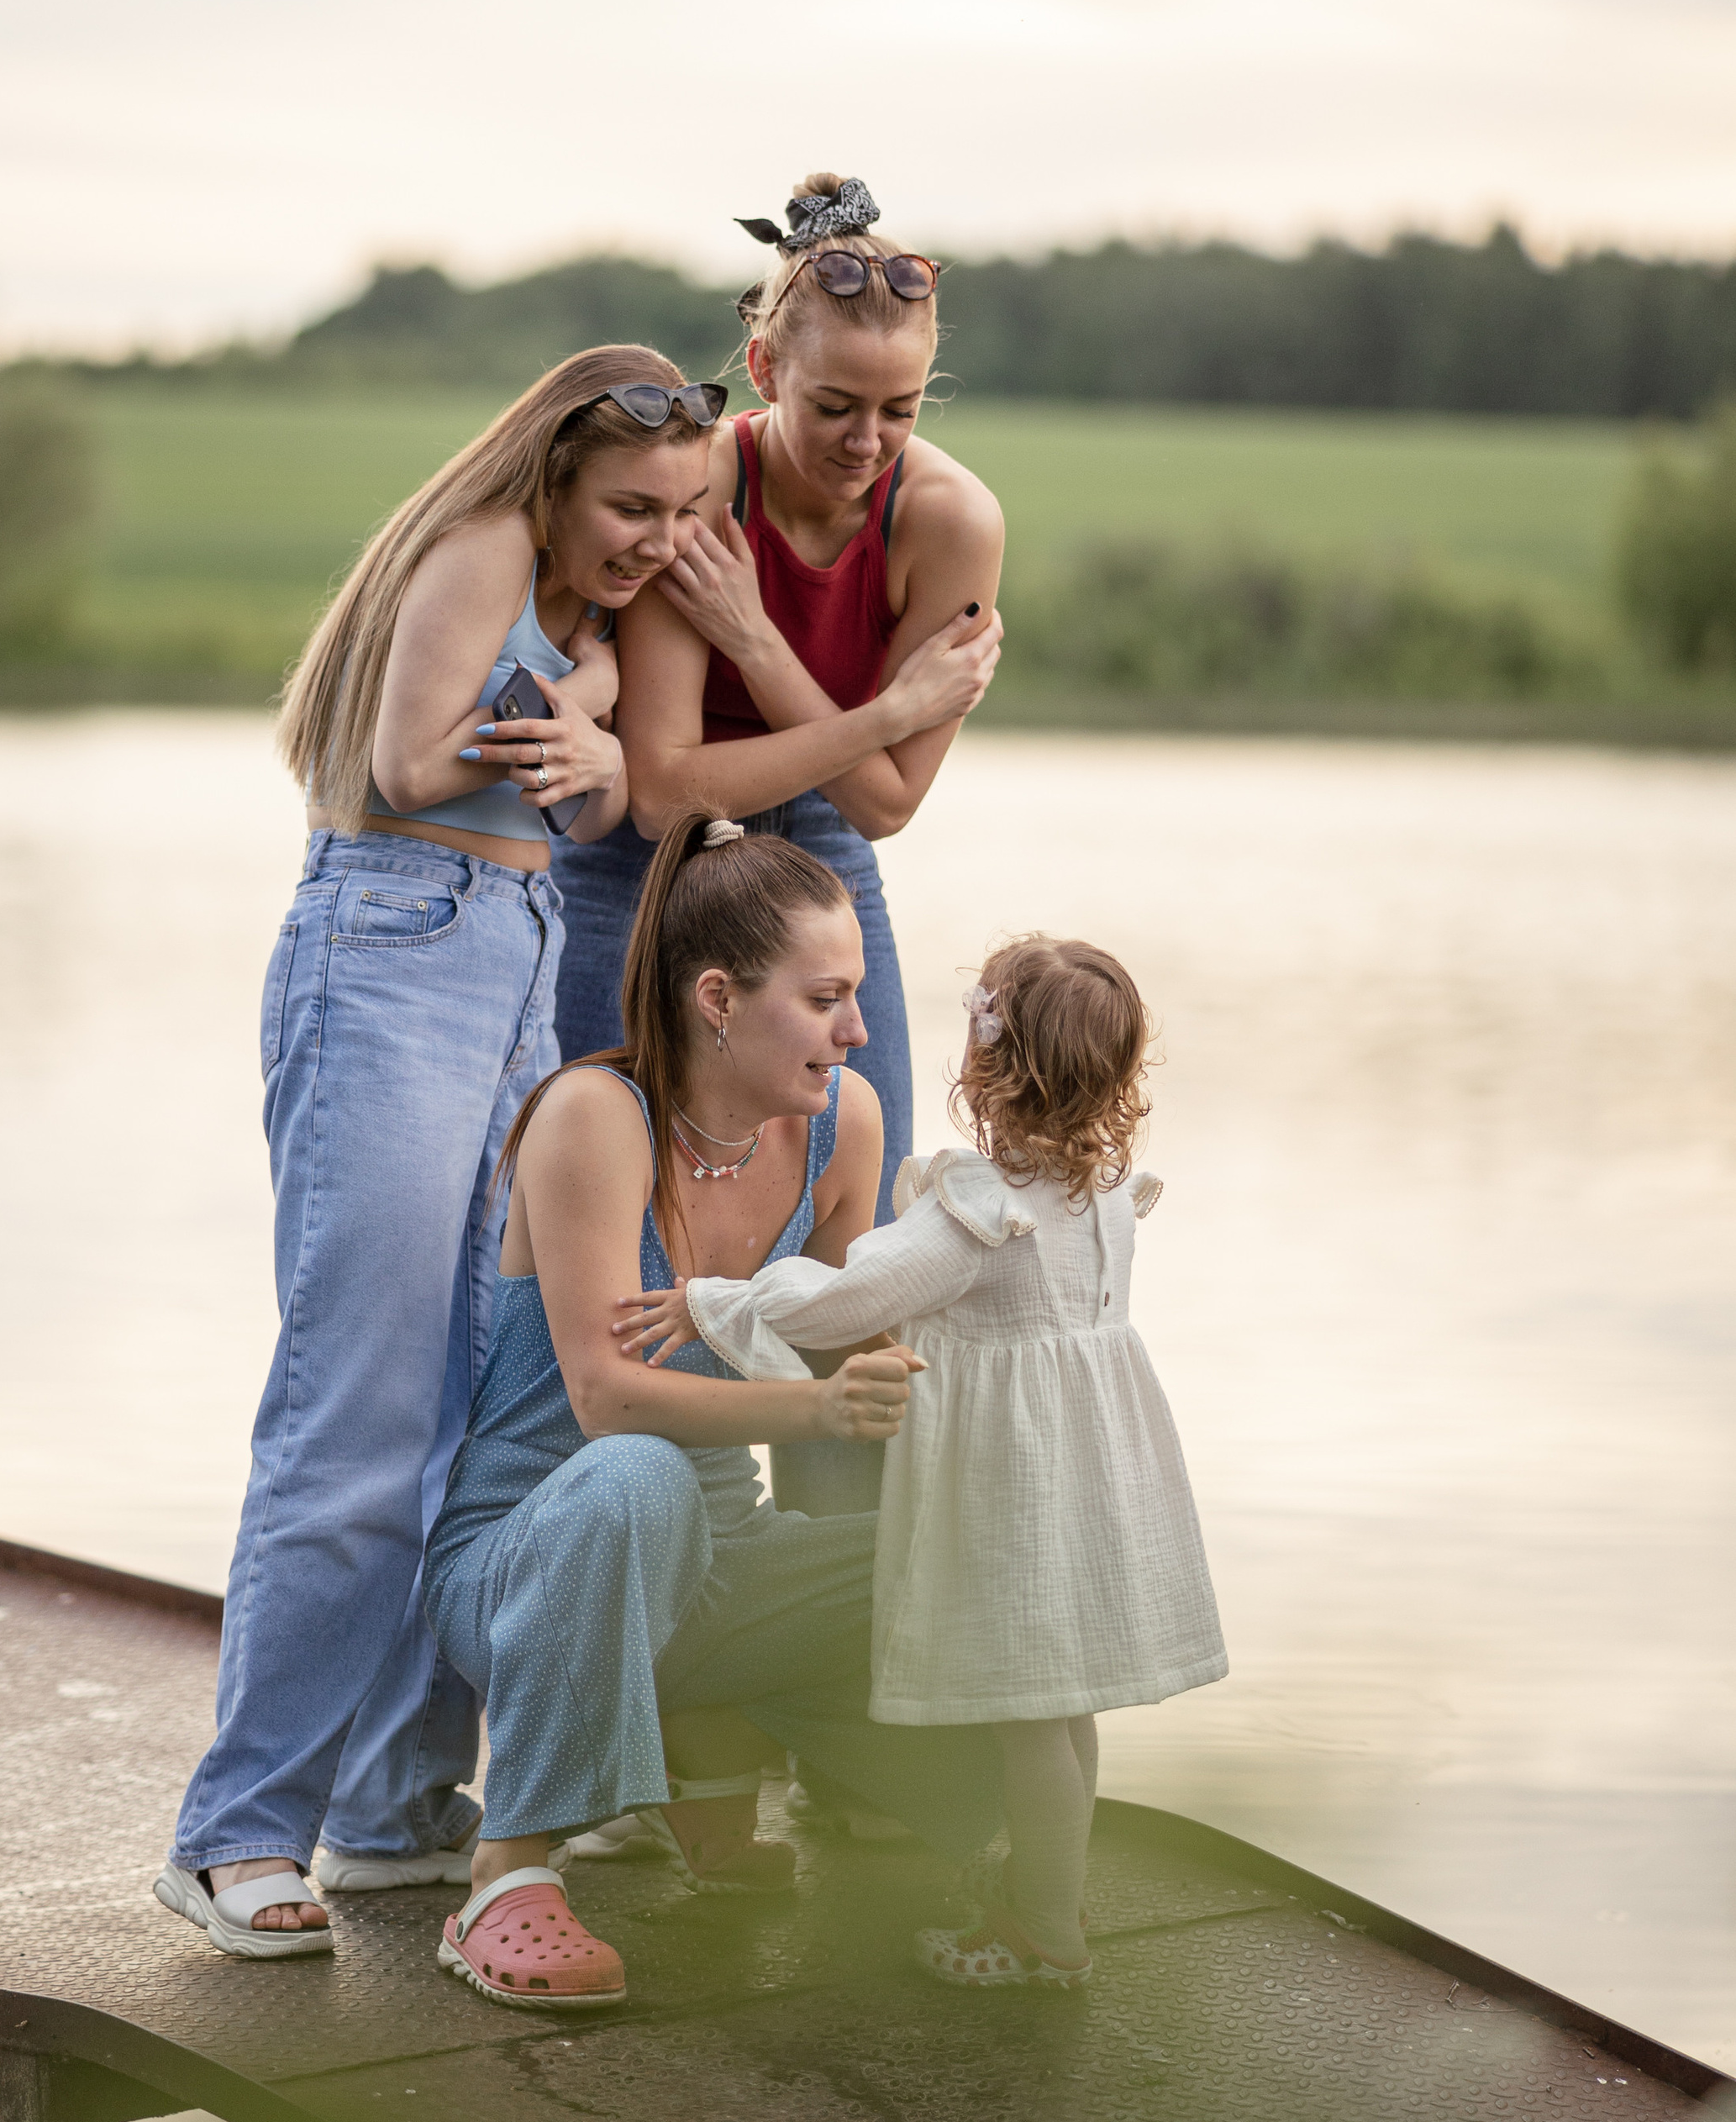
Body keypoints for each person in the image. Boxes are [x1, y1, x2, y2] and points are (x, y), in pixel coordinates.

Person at [157, 349, 719, 1958]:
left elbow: (584, 802)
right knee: (364, 1404)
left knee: (480, 1397)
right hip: (392, 944)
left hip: (517, 953)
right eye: (629, 505)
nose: (653, 538)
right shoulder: (481, 546)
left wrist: (606, 757)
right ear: (550, 472)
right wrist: (578, 738)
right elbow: (411, 769)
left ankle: (396, 1814)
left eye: (681, 512)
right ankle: (238, 1834)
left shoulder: (594, 608)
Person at [420, 812, 1002, 2010]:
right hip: (537, 1558)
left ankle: (739, 1749)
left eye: (853, 997)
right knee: (640, 1480)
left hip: (723, 1563)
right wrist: (824, 1416)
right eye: (826, 996)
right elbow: (603, 1396)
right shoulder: (594, 1116)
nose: (857, 1027)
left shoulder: (843, 1125)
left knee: (964, 1550)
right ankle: (507, 1875)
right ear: (719, 998)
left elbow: (865, 1333)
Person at [624, 933, 1228, 1991]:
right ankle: (1050, 1896)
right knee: (1061, 1705)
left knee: (1025, 1714)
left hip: (1008, 1497)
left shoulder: (975, 1216)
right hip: (1086, 1492)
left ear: (989, 1069)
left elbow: (844, 1296)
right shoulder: (1103, 1208)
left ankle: (1044, 1930)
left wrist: (711, 1299)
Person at [551, 171, 1005, 1519]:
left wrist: (759, 643)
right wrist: (878, 714)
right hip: (638, 869)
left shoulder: (951, 521)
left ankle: (828, 1603)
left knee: (853, 1232)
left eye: (901, 411)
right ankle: (639, 1544)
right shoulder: (701, 495)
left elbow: (881, 806)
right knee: (613, 1178)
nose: (869, 441)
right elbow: (667, 791)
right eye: (833, 408)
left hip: (814, 840)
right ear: (761, 368)